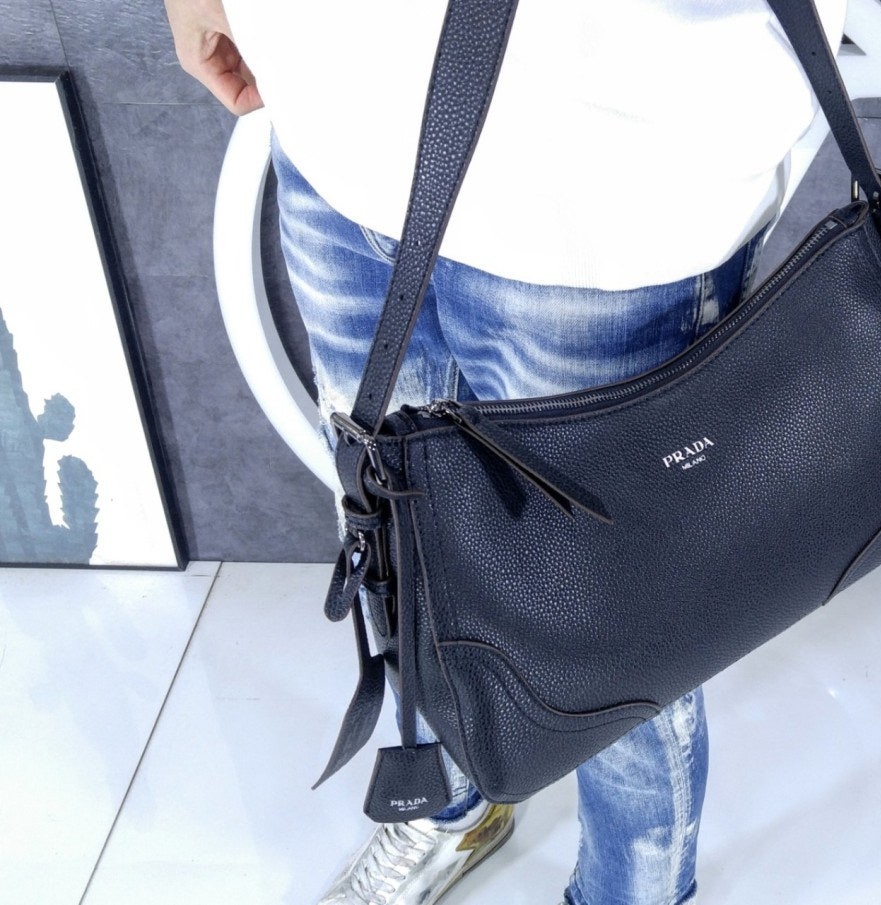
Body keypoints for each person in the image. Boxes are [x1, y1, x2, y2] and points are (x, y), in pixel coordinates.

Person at [165, 1, 846, 903]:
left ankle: (631, 891)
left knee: (617, 629)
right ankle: (447, 803)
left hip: (608, 172)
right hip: (334, 110)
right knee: (396, 543)